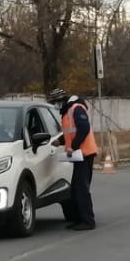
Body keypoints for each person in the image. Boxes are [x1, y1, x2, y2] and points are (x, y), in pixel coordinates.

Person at [47, 87, 97, 230]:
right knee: (75, 188)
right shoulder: (67, 112)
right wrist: (61, 141)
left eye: (56, 102)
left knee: (81, 188)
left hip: (85, 153)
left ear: (61, 100)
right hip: (78, 155)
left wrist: (72, 146)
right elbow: (71, 132)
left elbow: (83, 129)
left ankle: (88, 221)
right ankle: (79, 218)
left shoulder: (76, 108)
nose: (55, 106)